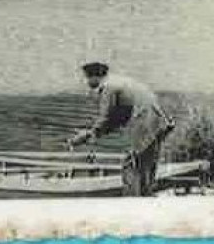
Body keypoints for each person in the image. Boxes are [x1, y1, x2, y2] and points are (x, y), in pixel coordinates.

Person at [67, 61, 175, 196]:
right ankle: (146, 196)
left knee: (130, 165)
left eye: (87, 78)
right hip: (159, 120)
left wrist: (87, 135)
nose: (86, 82)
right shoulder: (118, 82)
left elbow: (106, 117)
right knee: (146, 165)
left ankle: (132, 200)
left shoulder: (108, 87)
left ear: (95, 77)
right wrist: (94, 133)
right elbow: (118, 118)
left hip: (145, 121)